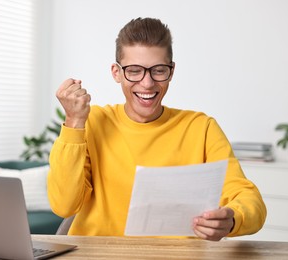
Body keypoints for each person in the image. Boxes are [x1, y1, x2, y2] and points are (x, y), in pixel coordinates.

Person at [47, 17, 266, 241]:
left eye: (158, 70)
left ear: (171, 71)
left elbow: (248, 198)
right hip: (98, 254)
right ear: (116, 72)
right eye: (134, 71)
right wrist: (74, 121)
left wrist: (232, 218)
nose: (147, 83)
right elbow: (64, 206)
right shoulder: (91, 122)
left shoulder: (201, 128)